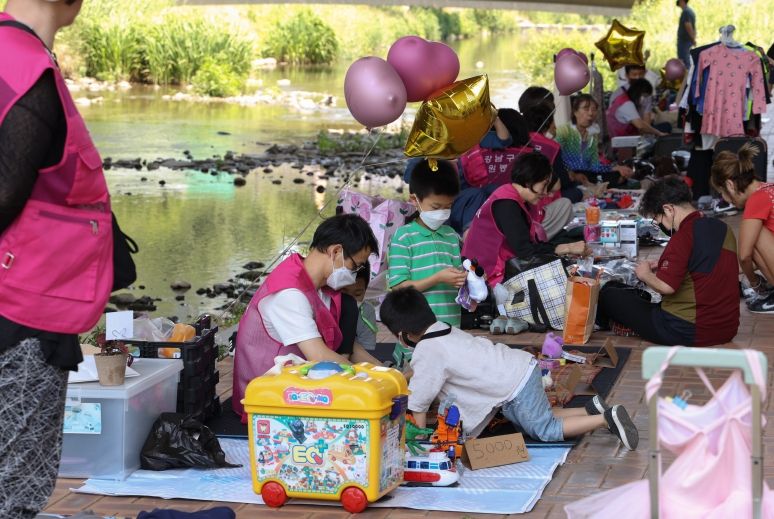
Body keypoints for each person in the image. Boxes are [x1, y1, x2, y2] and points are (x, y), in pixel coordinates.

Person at [0, 1, 115, 517]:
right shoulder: (26, 66)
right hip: (22, 306)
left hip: (27, 297)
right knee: (14, 483)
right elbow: (6, 193)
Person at [379, 287, 639, 448]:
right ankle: (590, 409)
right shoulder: (444, 329)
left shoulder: (427, 350)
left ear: (403, 335)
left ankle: (606, 419)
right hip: (519, 368)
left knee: (544, 430)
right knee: (537, 418)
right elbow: (425, 371)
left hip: (514, 384)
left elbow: (419, 403)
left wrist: (418, 440)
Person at [232, 214, 382, 420]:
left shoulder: (321, 286)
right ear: (335, 252)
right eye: (355, 266)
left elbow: (349, 347)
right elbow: (319, 355)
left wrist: (384, 373)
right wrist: (370, 381)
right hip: (268, 401)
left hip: (300, 386)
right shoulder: (289, 294)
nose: (354, 274)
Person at [597, 177, 740, 346]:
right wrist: (667, 264)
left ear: (668, 209)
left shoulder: (682, 236)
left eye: (658, 219)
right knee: (624, 291)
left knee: (609, 295)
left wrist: (644, 274)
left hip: (684, 329)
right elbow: (705, 262)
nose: (660, 225)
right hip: (727, 329)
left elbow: (666, 287)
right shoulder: (723, 228)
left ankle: (602, 323)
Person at [463, 152, 589, 290]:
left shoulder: (510, 196)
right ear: (530, 181)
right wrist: (568, 248)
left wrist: (565, 249)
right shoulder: (507, 204)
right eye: (544, 185)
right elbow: (526, 252)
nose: (545, 192)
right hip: (487, 277)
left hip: (490, 269)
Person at [388, 159, 466, 328]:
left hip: (451, 324)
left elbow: (457, 277)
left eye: (448, 206)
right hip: (417, 329)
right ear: (414, 200)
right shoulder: (404, 237)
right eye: (436, 207)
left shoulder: (451, 235)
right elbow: (399, 288)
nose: (442, 213)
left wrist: (469, 278)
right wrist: (437, 278)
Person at [711, 144, 774, 313]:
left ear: (730, 185)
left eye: (722, 192)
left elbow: (745, 256)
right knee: (753, 236)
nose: (726, 199)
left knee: (752, 236)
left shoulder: (756, 200)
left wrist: (755, 284)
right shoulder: (768, 189)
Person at [555, 94, 635, 187]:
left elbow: (594, 165)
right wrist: (572, 173)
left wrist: (616, 168)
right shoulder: (564, 131)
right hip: (567, 174)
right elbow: (555, 159)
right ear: (575, 112)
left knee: (618, 176)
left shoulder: (592, 133)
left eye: (594, 109)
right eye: (586, 109)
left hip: (587, 174)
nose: (590, 113)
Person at [341, 261, 378, 351]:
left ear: (365, 290)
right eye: (344, 294)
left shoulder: (367, 312)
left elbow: (367, 349)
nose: (351, 301)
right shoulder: (326, 309)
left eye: (357, 294)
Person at [676, 0, 697, 69]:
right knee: (686, 61)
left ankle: (687, 75)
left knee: (684, 62)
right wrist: (693, 38)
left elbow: (688, 25)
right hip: (687, 41)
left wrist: (693, 39)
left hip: (684, 42)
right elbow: (693, 27)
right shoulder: (690, 11)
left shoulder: (686, 12)